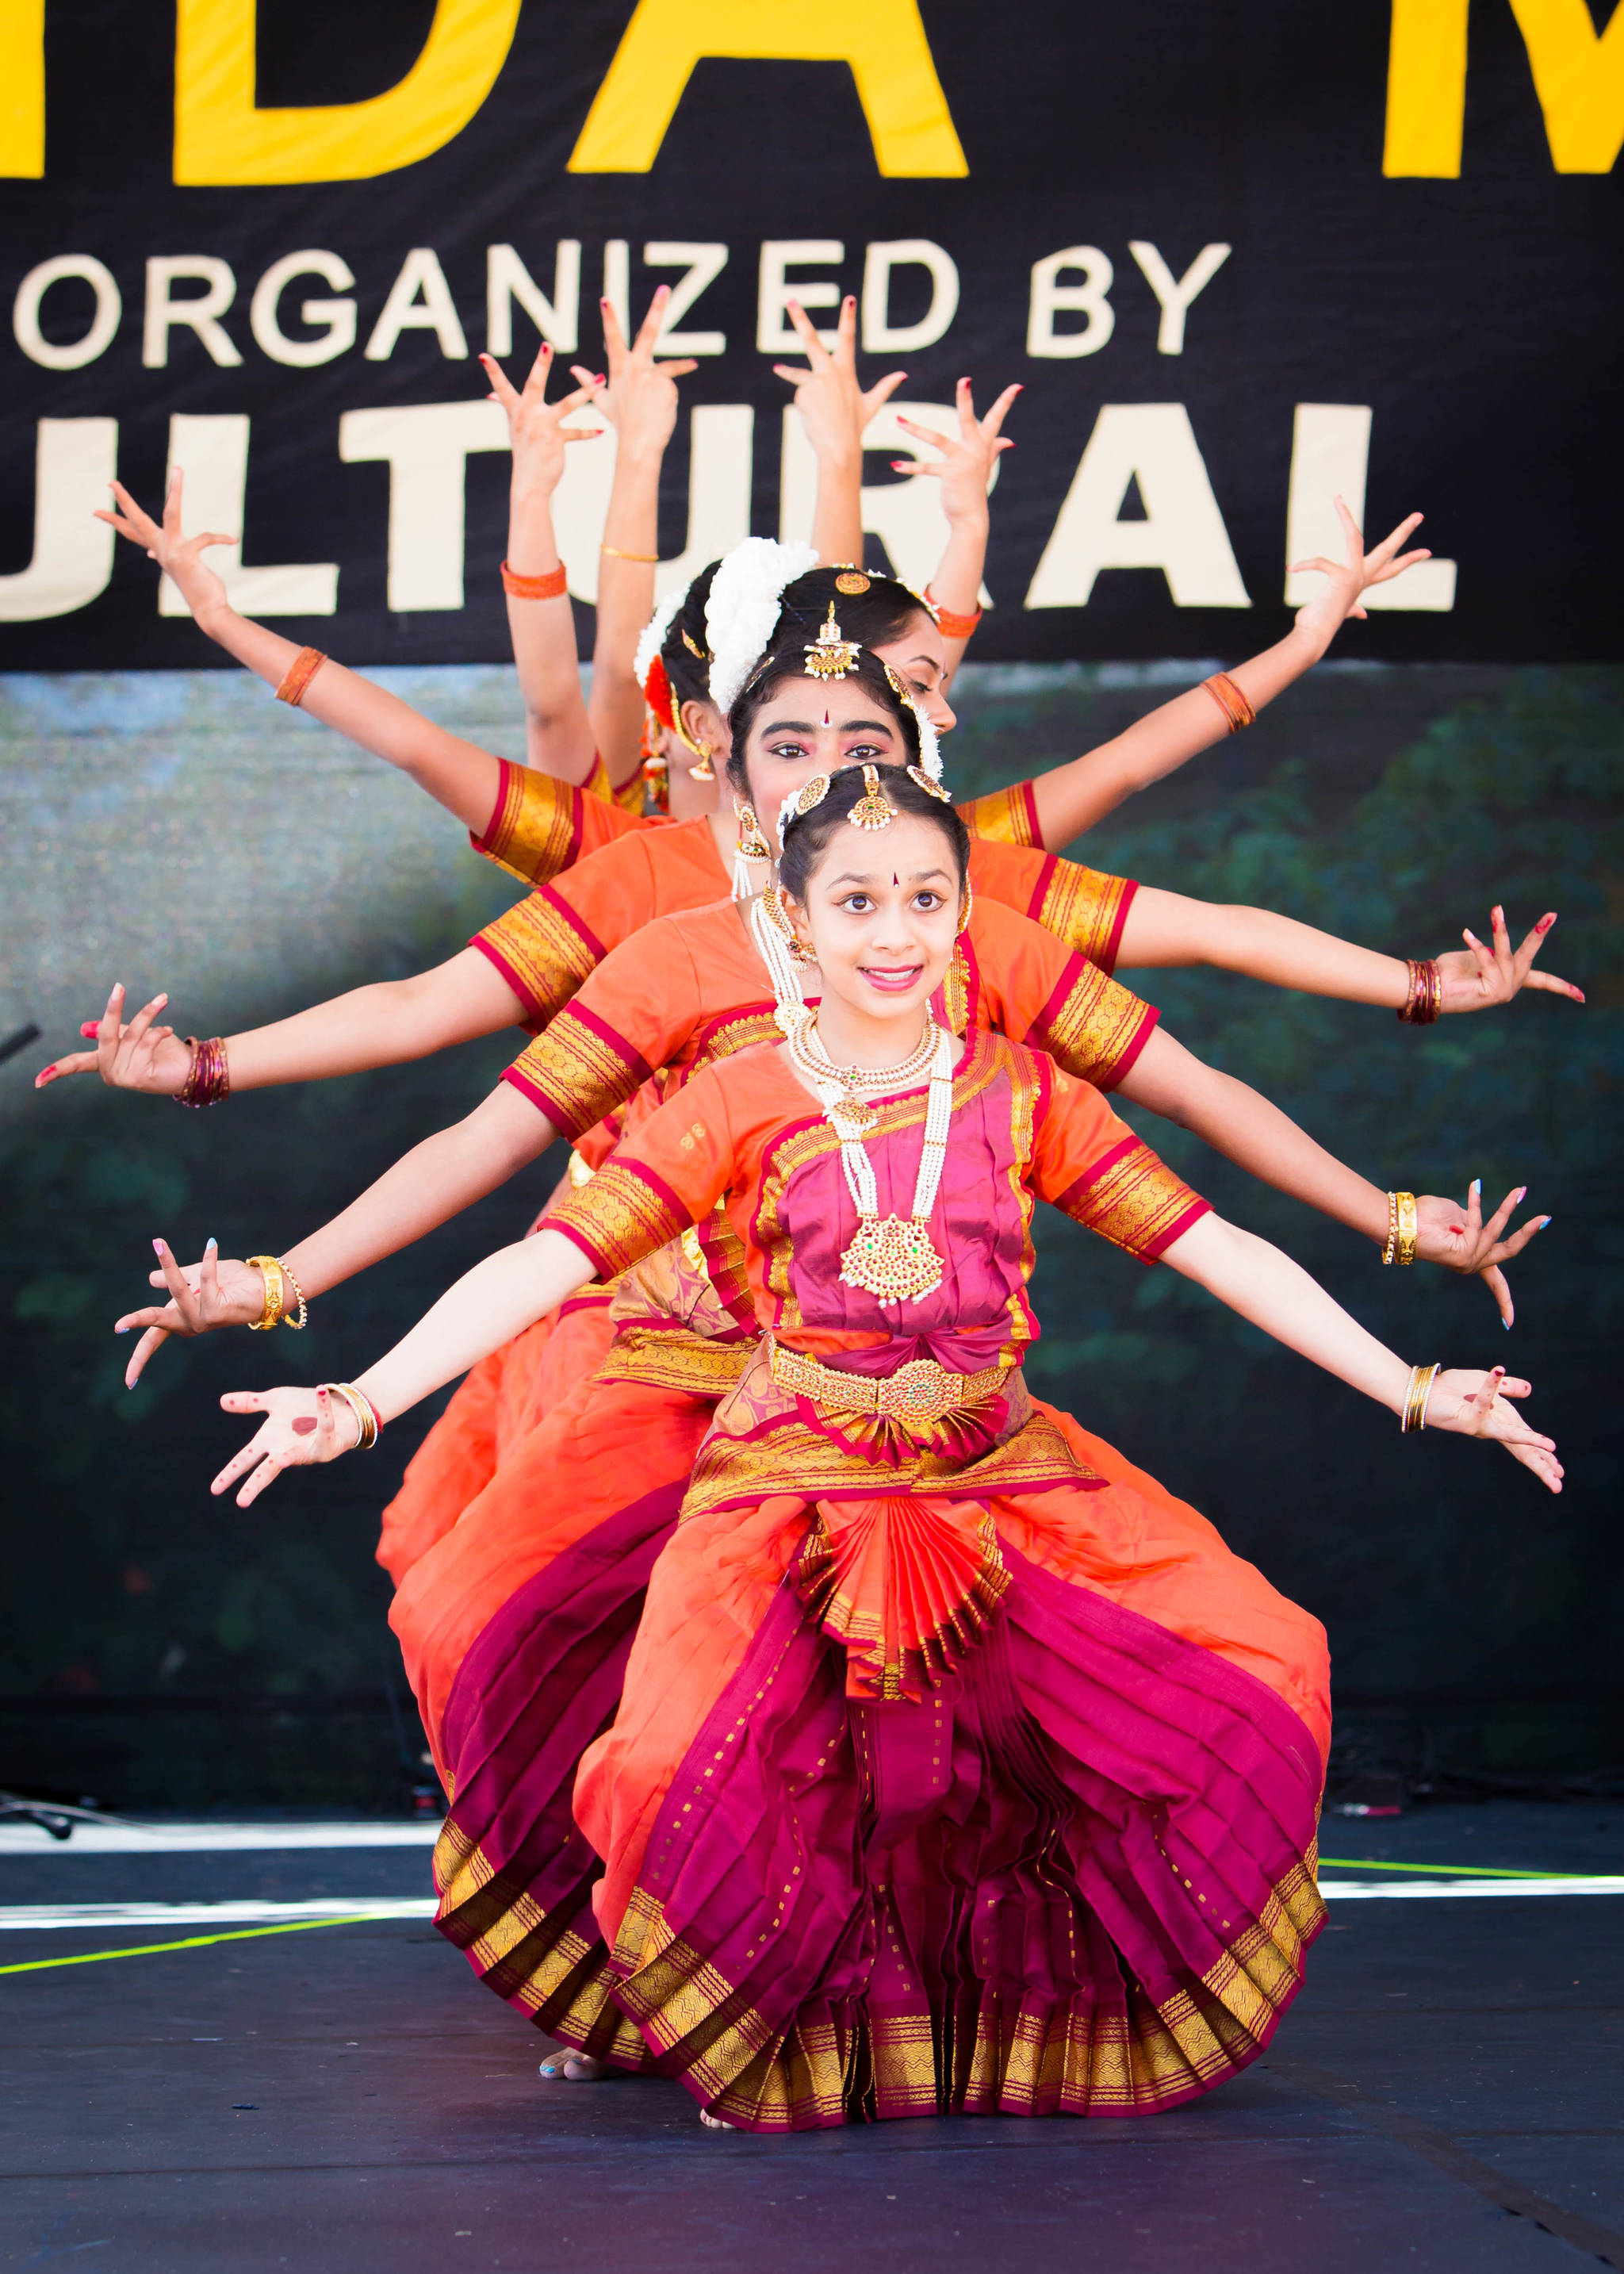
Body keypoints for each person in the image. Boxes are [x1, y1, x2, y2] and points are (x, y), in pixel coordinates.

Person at [200, 763, 1560, 2130]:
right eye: (856, 900)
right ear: (796, 922)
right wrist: (361, 1399)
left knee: (1261, 1665)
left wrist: (1413, 1384)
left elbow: (1218, 1248)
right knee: (681, 1779)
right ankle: (737, 2031)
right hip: (789, 1490)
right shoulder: (732, 1098)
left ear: (966, 913)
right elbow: (548, 1257)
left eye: (924, 897)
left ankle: (990, 2029)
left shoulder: (1028, 1095)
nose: (894, 931)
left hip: (996, 1479)